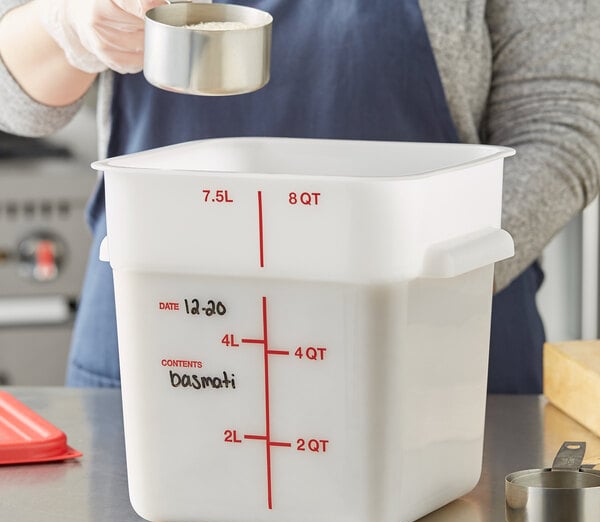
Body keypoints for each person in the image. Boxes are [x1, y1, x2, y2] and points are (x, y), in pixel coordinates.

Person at [0, 0, 599, 393]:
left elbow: (565, 119)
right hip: (167, 349)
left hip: (427, 354)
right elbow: (16, 100)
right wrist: (69, 26)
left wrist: (420, 275)